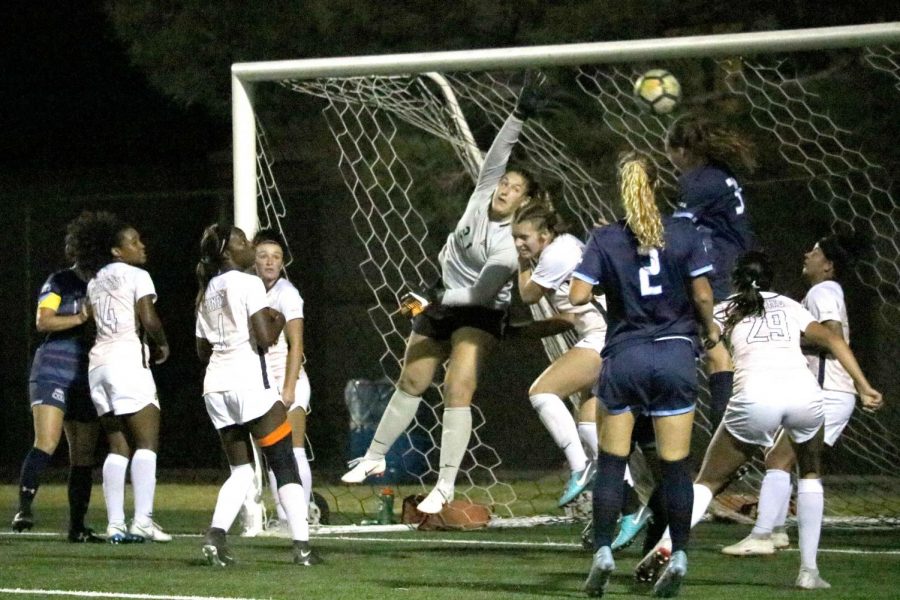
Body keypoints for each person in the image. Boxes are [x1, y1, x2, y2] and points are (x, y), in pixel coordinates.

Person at [341, 78, 546, 514]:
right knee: (412, 379)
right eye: (505, 182)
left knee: (458, 386)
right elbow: (498, 154)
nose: (505, 189)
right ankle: (374, 456)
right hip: (444, 297)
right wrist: (518, 115)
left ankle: (446, 484)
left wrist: (431, 298)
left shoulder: (509, 245)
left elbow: (479, 293)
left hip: (480, 310)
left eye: (515, 189)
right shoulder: (480, 195)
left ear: (525, 202)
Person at [638, 251, 882, 590]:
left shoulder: (726, 309)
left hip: (756, 397)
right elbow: (832, 338)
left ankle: (667, 545)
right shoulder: (790, 305)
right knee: (810, 474)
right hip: (806, 395)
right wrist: (863, 385)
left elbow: (700, 339)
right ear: (771, 279)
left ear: (736, 279)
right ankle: (809, 572)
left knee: (708, 482)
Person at [570, 151, 719, 598]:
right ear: (657, 186)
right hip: (674, 356)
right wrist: (709, 329)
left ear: (624, 188)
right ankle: (680, 557)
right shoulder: (683, 230)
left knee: (613, 464)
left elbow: (578, 295)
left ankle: (603, 552)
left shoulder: (605, 238)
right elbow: (704, 294)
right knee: (676, 468)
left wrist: (609, 284)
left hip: (625, 356)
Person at [722, 232, 880, 556]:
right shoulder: (821, 291)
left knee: (781, 459)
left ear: (828, 265)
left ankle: (764, 534)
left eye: (816, 251)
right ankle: (776, 531)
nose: (807, 254)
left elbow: (833, 337)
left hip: (826, 390)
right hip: (826, 390)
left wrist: (784, 342)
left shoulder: (823, 290)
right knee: (787, 460)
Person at [195, 223, 321, 566]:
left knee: (241, 472)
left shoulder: (207, 291)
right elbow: (265, 338)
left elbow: (202, 350)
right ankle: (303, 548)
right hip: (249, 385)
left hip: (215, 389)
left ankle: (215, 537)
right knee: (284, 464)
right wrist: (276, 321)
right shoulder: (248, 283)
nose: (247, 243)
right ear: (226, 252)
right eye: (239, 240)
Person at [72, 211, 171, 544]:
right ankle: (142, 520)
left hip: (99, 365)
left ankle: (115, 524)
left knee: (118, 446)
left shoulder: (95, 280)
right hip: (128, 359)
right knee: (147, 442)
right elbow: (148, 317)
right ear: (117, 251)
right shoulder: (136, 275)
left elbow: (91, 324)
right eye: (133, 241)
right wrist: (162, 344)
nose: (141, 246)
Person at [511, 198, 605, 506]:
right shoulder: (568, 244)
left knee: (542, 393)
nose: (519, 243)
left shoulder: (554, 254)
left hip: (601, 336)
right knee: (589, 424)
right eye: (515, 237)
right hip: (611, 333)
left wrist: (522, 262)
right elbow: (566, 317)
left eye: (523, 237)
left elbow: (527, 295)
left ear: (544, 235)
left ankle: (580, 468)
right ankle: (623, 502)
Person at [11, 227, 102, 543]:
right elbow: (43, 320)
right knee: (47, 441)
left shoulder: (105, 283)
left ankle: (77, 527)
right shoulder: (59, 281)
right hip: (53, 369)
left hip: (87, 373)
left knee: (84, 454)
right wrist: (80, 317)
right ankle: (24, 508)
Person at [667, 114, 757, 431]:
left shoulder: (698, 182)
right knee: (719, 352)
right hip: (738, 268)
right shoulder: (720, 174)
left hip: (720, 272)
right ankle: (731, 436)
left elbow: (676, 231)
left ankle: (724, 436)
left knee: (708, 349)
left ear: (681, 151)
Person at [254, 228, 314, 531]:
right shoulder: (248, 290)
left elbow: (296, 344)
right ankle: (283, 516)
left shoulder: (287, 294)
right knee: (274, 453)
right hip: (261, 385)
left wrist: (289, 386)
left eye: (276, 257)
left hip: (288, 381)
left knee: (293, 449)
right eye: (263, 255)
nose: (269, 262)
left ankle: (297, 517)